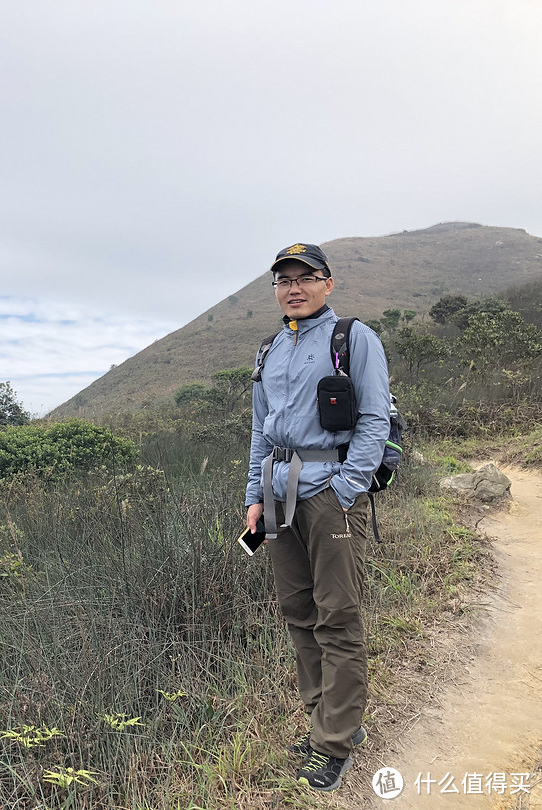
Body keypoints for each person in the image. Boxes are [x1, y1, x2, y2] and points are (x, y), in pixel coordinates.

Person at [244, 242, 390, 792]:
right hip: (277, 495)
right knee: (297, 610)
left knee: (337, 615)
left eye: (306, 277)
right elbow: (260, 430)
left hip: (329, 492)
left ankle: (335, 741)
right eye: (284, 279)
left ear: (328, 283)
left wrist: (347, 489)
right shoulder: (270, 348)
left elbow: (374, 418)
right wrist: (253, 498)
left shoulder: (352, 339)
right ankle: (322, 720)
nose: (294, 287)